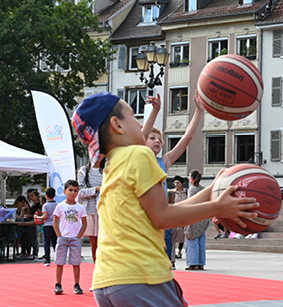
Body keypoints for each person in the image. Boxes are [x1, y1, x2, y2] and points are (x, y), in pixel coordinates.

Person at [70, 91, 256, 306]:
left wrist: (212, 190)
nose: (140, 123)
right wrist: (217, 208)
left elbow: (158, 213)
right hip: (142, 276)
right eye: (133, 116)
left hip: (108, 280)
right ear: (117, 125)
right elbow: (163, 217)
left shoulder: (113, 165)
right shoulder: (139, 155)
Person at [142, 93, 205, 267]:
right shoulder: (139, 159)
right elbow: (140, 137)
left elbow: (186, 139)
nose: (158, 141)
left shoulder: (164, 161)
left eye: (160, 139)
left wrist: (199, 111)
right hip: (144, 216)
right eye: (152, 138)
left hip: (162, 214)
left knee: (163, 256)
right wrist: (155, 111)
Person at [54, 179, 87, 295]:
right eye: (70, 190)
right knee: (59, 262)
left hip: (75, 238)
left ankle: (77, 284)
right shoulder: (60, 206)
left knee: (76, 263)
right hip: (63, 237)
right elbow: (55, 221)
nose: (73, 193)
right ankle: (58, 284)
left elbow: (84, 223)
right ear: (64, 191)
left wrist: (79, 236)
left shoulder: (80, 207)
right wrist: (59, 234)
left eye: (75, 191)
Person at [76, 163, 103, 262]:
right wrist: (96, 189)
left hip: (105, 210)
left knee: (105, 242)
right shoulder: (84, 170)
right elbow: (80, 192)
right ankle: (97, 266)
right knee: (94, 243)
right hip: (89, 210)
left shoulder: (108, 169)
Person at [184, 171, 210, 271]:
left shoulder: (192, 189)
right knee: (201, 240)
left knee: (191, 240)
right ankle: (200, 263)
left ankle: (193, 262)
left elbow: (190, 203)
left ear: (192, 179)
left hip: (194, 217)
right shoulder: (203, 189)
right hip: (203, 217)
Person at [168, 177, 189, 264]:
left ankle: (179, 251)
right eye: (175, 183)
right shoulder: (172, 192)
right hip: (174, 215)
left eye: (178, 183)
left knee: (182, 234)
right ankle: (173, 253)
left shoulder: (186, 192)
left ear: (182, 183)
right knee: (174, 235)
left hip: (183, 215)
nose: (176, 184)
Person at [40, 187, 58, 266]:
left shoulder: (45, 205)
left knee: (47, 243)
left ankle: (47, 260)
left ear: (46, 196)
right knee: (55, 243)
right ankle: (58, 258)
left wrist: (37, 217)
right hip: (56, 225)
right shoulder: (58, 205)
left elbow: (45, 216)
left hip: (47, 225)